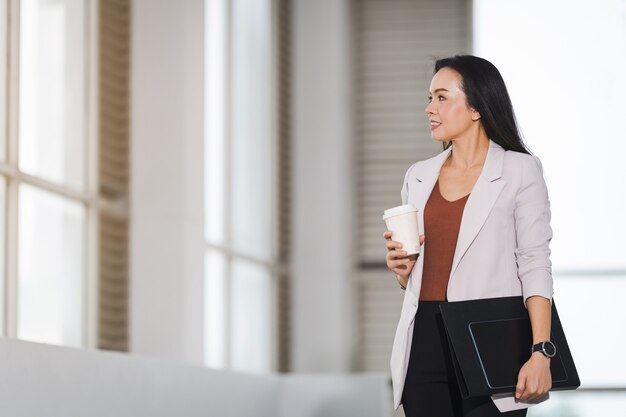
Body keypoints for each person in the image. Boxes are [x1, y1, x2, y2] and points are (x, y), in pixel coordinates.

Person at [383, 55, 554, 417]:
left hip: (489, 338)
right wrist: (402, 271)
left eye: (442, 98)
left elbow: (535, 263)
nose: (430, 108)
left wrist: (541, 351)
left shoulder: (519, 169)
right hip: (424, 339)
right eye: (429, 98)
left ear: (476, 107)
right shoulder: (418, 175)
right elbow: (423, 267)